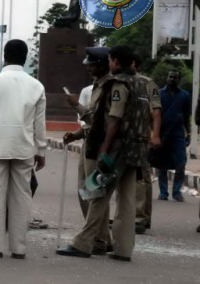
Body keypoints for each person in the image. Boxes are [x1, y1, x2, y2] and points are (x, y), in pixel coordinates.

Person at [58, 45, 152, 262]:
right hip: (136, 150)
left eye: (111, 60)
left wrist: (104, 150)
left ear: (116, 62)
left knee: (97, 194)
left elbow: (113, 119)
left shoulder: (117, 84)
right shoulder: (143, 83)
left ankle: (83, 243)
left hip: (117, 149)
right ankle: (123, 249)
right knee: (127, 201)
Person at [0, 40, 46, 259]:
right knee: (21, 197)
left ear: (5, 56)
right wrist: (41, 151)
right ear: (25, 58)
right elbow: (39, 124)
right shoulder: (36, 86)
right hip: (24, 148)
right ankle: (19, 248)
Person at [63, 47, 112, 253]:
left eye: (91, 64)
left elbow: (102, 121)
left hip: (101, 147)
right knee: (86, 191)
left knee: (95, 193)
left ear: (101, 65)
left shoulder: (109, 87)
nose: (89, 68)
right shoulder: (96, 86)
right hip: (90, 142)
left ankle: (85, 241)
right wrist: (77, 134)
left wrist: (77, 106)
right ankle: (101, 239)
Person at [132, 55, 161, 234]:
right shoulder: (122, 81)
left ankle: (140, 218)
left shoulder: (148, 83)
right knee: (140, 176)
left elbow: (156, 111)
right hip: (129, 136)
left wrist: (155, 135)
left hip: (142, 136)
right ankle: (139, 216)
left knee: (141, 177)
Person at [155, 70, 190, 202]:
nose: (172, 79)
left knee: (181, 162)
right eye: (170, 77)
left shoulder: (185, 95)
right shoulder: (159, 94)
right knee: (162, 164)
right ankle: (163, 193)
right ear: (166, 78)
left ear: (178, 80)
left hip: (178, 133)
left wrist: (189, 133)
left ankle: (177, 192)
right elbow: (155, 114)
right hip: (163, 133)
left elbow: (186, 116)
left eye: (175, 77)